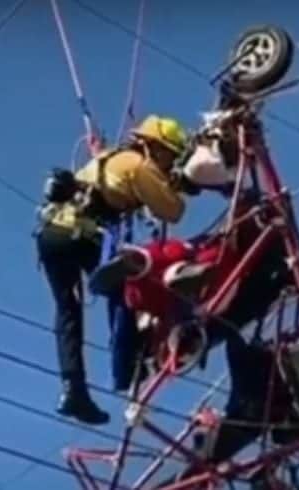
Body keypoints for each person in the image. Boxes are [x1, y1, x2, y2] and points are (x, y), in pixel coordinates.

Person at [36, 114, 189, 425]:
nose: (167, 163)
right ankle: (126, 369)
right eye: (168, 155)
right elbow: (172, 211)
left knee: (68, 312)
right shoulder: (138, 165)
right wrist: (178, 185)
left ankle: (72, 390)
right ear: (153, 147)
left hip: (51, 234)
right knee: (124, 292)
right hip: (82, 236)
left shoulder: (108, 159)